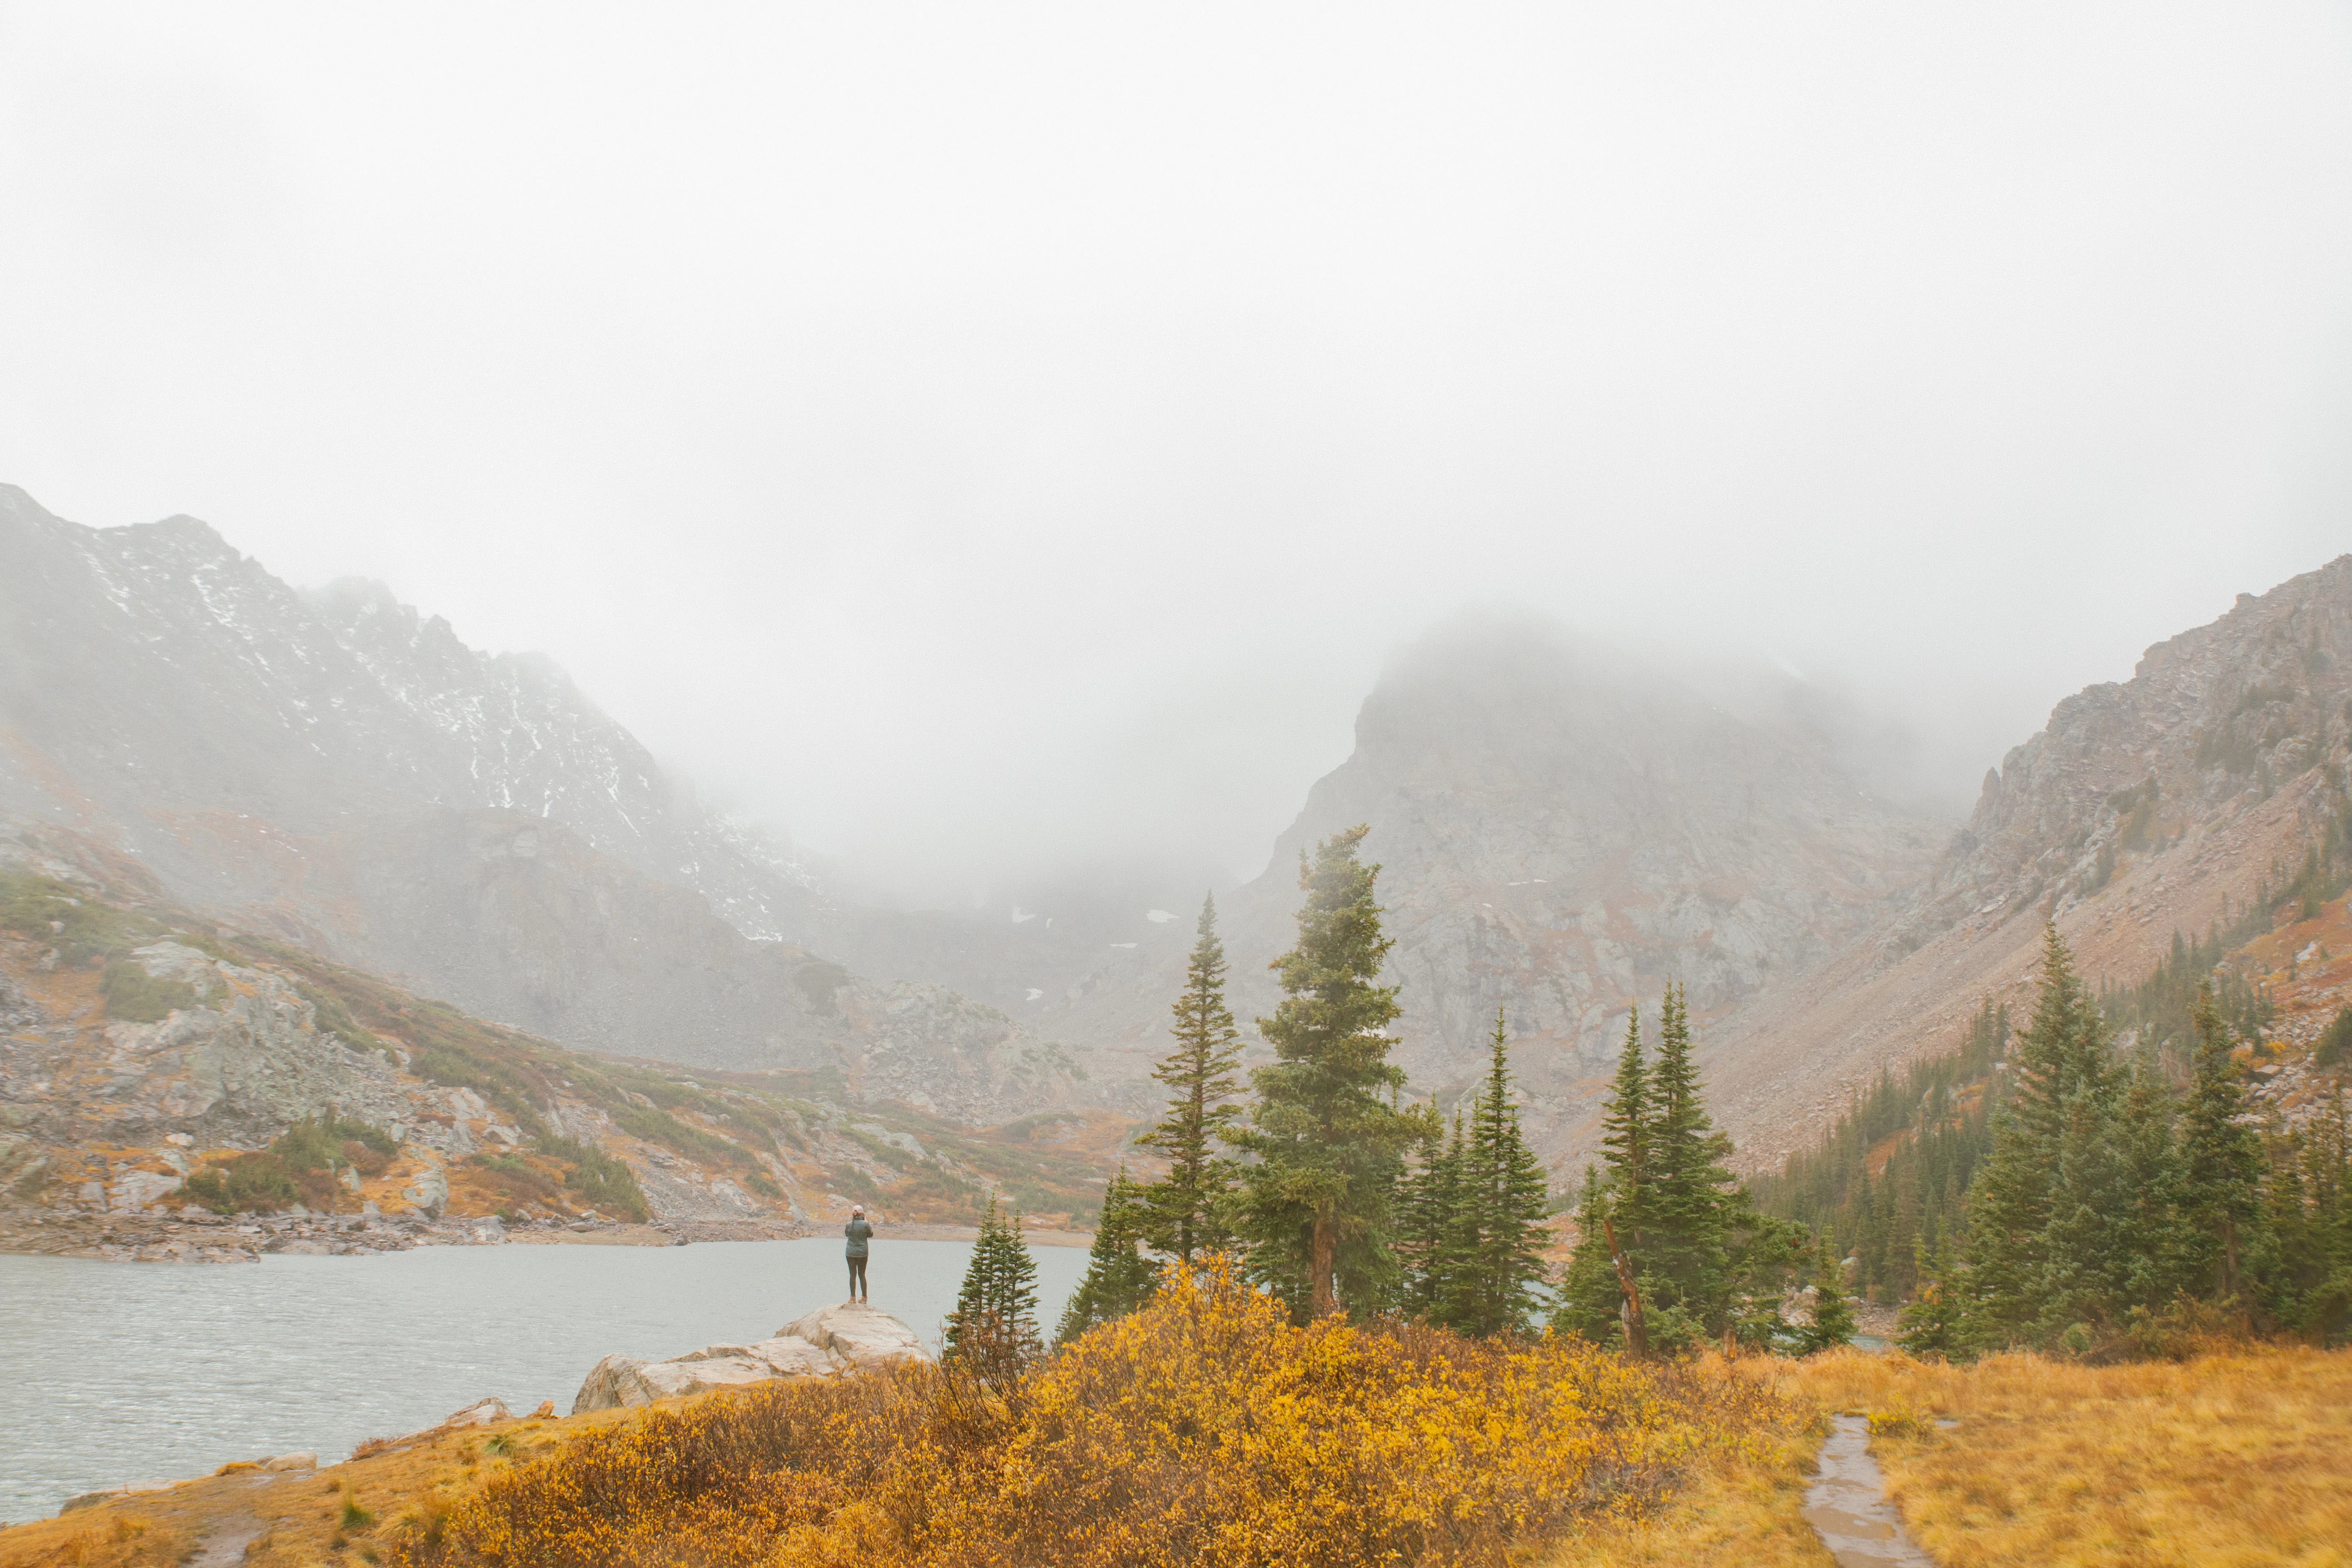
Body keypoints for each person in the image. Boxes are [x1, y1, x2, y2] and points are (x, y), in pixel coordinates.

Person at [844, 1205, 873, 1303]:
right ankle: (864, 1297)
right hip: (863, 1253)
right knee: (862, 1275)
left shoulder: (849, 1224)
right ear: (862, 1214)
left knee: (853, 1275)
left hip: (851, 1253)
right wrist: (866, 1221)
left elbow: (847, 1234)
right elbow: (871, 1235)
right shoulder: (866, 1224)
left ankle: (853, 1298)